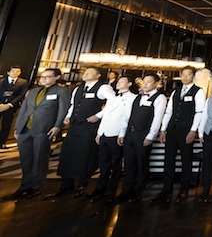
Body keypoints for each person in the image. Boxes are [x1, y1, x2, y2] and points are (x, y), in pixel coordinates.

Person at [50, 67, 114, 199]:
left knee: (85, 155)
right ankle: (66, 185)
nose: (86, 74)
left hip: (89, 126)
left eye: (90, 73)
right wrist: (68, 116)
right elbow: (73, 105)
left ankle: (82, 185)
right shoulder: (78, 88)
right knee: (68, 154)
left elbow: (113, 102)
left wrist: (98, 115)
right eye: (85, 72)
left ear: (98, 75)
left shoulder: (103, 88)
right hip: (74, 126)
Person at [6, 69, 70, 200]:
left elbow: (63, 110)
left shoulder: (62, 91)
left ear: (57, 77)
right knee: (25, 159)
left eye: (48, 77)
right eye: (42, 76)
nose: (43, 79)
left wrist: (58, 126)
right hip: (25, 129)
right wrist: (17, 127)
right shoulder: (33, 91)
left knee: (40, 158)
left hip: (44, 129)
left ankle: (36, 186)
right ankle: (25, 185)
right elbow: (24, 110)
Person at [152, 66, 206, 203]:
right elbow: (169, 111)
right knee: (168, 160)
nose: (185, 77)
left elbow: (199, 112)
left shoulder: (198, 91)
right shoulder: (176, 91)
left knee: (186, 161)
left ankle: (184, 190)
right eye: (183, 75)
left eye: (188, 74)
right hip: (172, 130)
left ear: (193, 76)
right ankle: (166, 190)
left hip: (186, 130)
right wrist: (163, 129)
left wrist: (193, 130)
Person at [113, 74, 166, 204]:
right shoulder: (137, 97)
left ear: (156, 84)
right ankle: (126, 190)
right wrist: (122, 133)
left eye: (149, 82)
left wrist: (151, 135)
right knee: (129, 164)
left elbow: (157, 118)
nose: (145, 84)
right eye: (144, 82)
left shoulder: (159, 98)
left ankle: (138, 190)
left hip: (143, 135)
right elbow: (127, 116)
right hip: (130, 134)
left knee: (141, 163)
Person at [88, 76, 136, 202]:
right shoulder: (112, 97)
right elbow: (106, 115)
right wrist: (99, 133)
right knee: (103, 162)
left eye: (122, 82)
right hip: (105, 132)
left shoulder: (132, 98)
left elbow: (127, 117)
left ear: (129, 84)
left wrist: (122, 134)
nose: (118, 83)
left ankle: (112, 188)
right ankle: (100, 188)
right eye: (118, 82)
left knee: (116, 163)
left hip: (117, 133)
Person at [0, 65, 29, 149]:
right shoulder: (1, 81)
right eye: (13, 71)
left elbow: (21, 95)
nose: (15, 73)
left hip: (11, 107)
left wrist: (9, 104)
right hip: (0, 105)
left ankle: (2, 143)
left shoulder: (23, 82)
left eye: (18, 71)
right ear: (8, 72)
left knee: (6, 125)